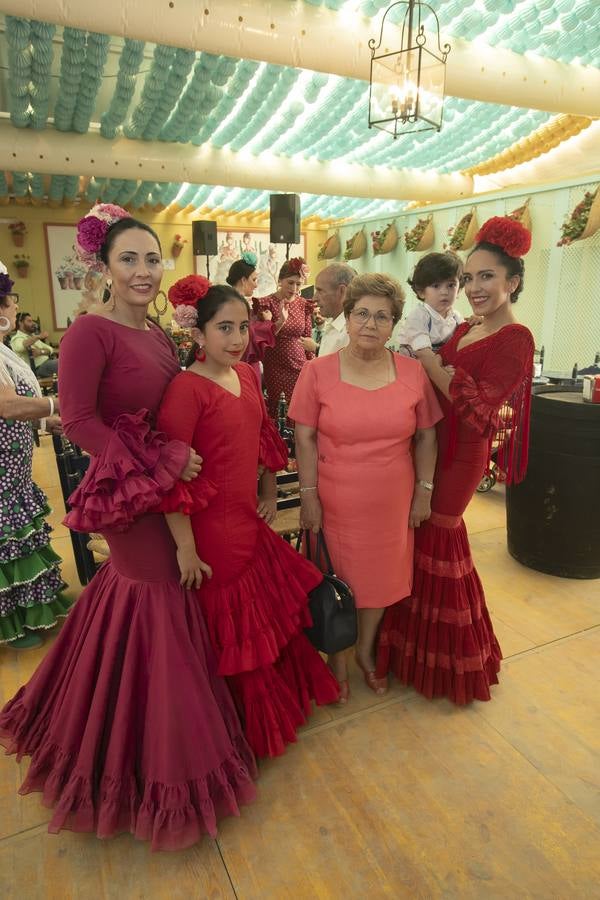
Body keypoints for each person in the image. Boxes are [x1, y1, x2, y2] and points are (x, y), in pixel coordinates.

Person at [0, 206, 256, 852]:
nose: (142, 271)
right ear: (105, 267)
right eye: (129, 260)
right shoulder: (90, 332)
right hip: (127, 492)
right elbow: (79, 421)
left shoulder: (164, 335)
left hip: (166, 489)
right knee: (155, 595)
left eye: (150, 259)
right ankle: (152, 768)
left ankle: (121, 730)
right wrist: (154, 461)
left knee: (140, 600)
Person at [155, 276, 340, 758]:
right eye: (224, 328)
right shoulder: (185, 390)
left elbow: (260, 439)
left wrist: (267, 492)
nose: (236, 339)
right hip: (210, 531)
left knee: (262, 620)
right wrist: (186, 547)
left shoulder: (247, 376)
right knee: (232, 628)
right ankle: (238, 727)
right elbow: (170, 476)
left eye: (242, 327)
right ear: (198, 334)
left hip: (247, 519)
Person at [376, 216, 535, 704]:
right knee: (418, 540)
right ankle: (410, 654)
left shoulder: (517, 338)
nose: (473, 287)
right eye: (469, 278)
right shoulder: (466, 325)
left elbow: (479, 407)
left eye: (486, 277)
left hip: (462, 454)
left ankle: (449, 664)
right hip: (428, 443)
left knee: (439, 537)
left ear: (513, 281)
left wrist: (426, 357)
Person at [288, 273, 442, 702]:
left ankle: (366, 654)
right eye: (362, 314)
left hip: (392, 500)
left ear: (393, 324)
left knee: (381, 581)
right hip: (336, 499)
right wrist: (309, 495)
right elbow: (304, 438)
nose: (370, 324)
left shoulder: (412, 372)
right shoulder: (317, 372)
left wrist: (424, 491)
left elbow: (427, 435)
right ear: (347, 316)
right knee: (341, 580)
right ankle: (337, 659)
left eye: (382, 316)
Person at [0, 265, 69, 649]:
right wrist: (58, 403)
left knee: (16, 538)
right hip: (2, 468)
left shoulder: (4, 349)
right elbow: (7, 407)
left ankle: (27, 614)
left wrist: (46, 423)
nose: (15, 304)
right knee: (6, 539)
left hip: (13, 463)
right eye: (12, 298)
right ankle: (13, 622)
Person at [257, 257, 316, 417]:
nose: (294, 288)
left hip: (300, 366)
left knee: (302, 409)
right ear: (280, 280)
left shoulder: (304, 304)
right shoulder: (266, 303)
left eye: (299, 284)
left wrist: (311, 368)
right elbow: (261, 340)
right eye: (290, 282)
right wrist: (281, 321)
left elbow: (307, 338)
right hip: (276, 367)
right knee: (281, 411)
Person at [390, 252, 464, 356]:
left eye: (451, 285)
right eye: (436, 286)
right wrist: (442, 369)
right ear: (421, 291)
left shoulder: (456, 317)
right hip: (415, 364)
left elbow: (466, 338)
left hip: (437, 363)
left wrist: (476, 322)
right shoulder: (418, 316)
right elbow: (424, 355)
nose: (444, 292)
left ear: (459, 288)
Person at [226, 254, 282, 388]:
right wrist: (267, 322)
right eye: (254, 279)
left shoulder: (229, 300)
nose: (256, 285)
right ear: (244, 280)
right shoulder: (237, 303)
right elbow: (250, 334)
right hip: (244, 362)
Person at [313, 262, 356, 357]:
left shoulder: (351, 333)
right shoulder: (334, 326)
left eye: (320, 291)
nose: (314, 298)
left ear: (342, 291)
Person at [11, 312, 58, 378]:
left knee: (67, 361)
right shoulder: (16, 338)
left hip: (48, 363)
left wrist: (41, 352)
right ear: (20, 323)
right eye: (29, 321)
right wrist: (38, 337)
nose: (33, 323)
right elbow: (20, 347)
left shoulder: (32, 336)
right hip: (37, 369)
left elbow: (50, 349)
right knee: (65, 363)